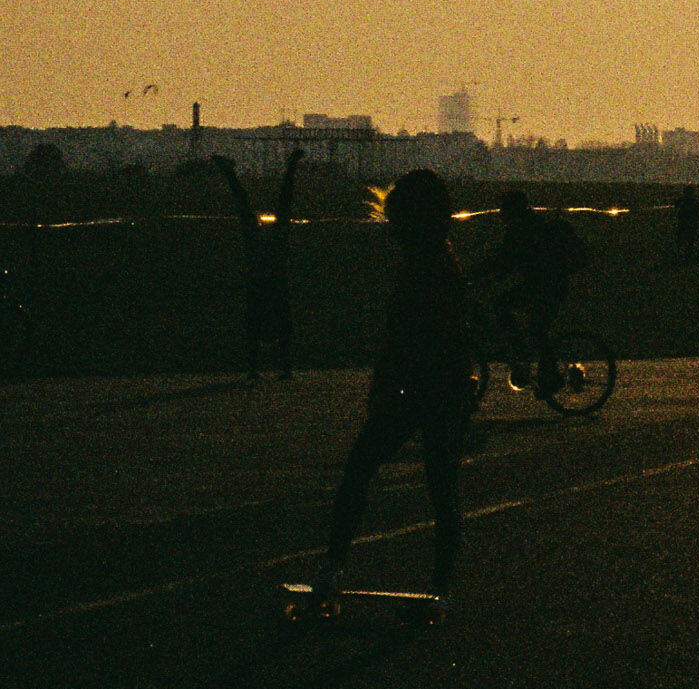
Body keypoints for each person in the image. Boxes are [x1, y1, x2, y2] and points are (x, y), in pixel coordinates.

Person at [311, 170, 470, 616]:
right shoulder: (435, 257)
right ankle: (436, 584)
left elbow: (414, 338)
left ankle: (336, 566)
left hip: (427, 386)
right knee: (438, 486)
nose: (392, 231)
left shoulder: (430, 265)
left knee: (370, 472)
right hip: (436, 386)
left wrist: (390, 387)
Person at [483, 189, 589, 391]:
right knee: (522, 317)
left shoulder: (523, 229)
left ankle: (547, 375)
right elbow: (507, 259)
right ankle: (525, 355)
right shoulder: (528, 224)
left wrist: (476, 275)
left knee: (534, 326)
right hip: (542, 284)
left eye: (503, 209)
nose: (500, 214)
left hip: (548, 286)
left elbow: (503, 258)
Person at [216, 148, 302, 381]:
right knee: (266, 209)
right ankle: (280, 369)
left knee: (255, 210)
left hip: (263, 276)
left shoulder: (258, 246)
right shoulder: (277, 313)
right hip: (270, 276)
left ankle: (259, 370)